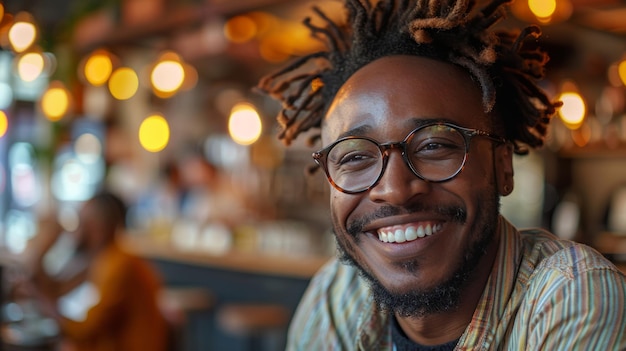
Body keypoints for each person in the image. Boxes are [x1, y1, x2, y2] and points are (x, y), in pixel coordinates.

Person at [257, 0, 626, 350]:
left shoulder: (574, 295)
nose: (395, 190)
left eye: (434, 146)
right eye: (355, 157)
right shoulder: (336, 295)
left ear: (503, 167)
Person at [33, 191, 169, 351]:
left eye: (80, 222)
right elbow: (58, 289)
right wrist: (44, 248)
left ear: (96, 227)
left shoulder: (119, 265)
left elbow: (84, 330)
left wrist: (43, 302)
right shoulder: (103, 259)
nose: (74, 230)